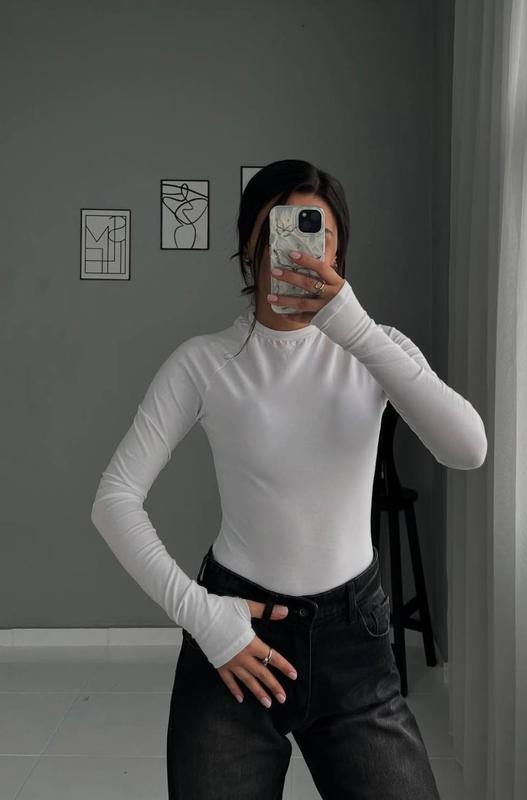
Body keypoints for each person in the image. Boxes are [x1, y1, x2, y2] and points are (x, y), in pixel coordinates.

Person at [90, 159, 487, 799]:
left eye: (316, 232)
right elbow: (114, 499)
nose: (298, 251)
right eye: (280, 231)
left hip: (355, 641)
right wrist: (203, 618)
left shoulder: (375, 347)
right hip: (236, 631)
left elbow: (467, 448)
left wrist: (354, 328)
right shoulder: (204, 362)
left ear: (338, 251)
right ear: (250, 247)